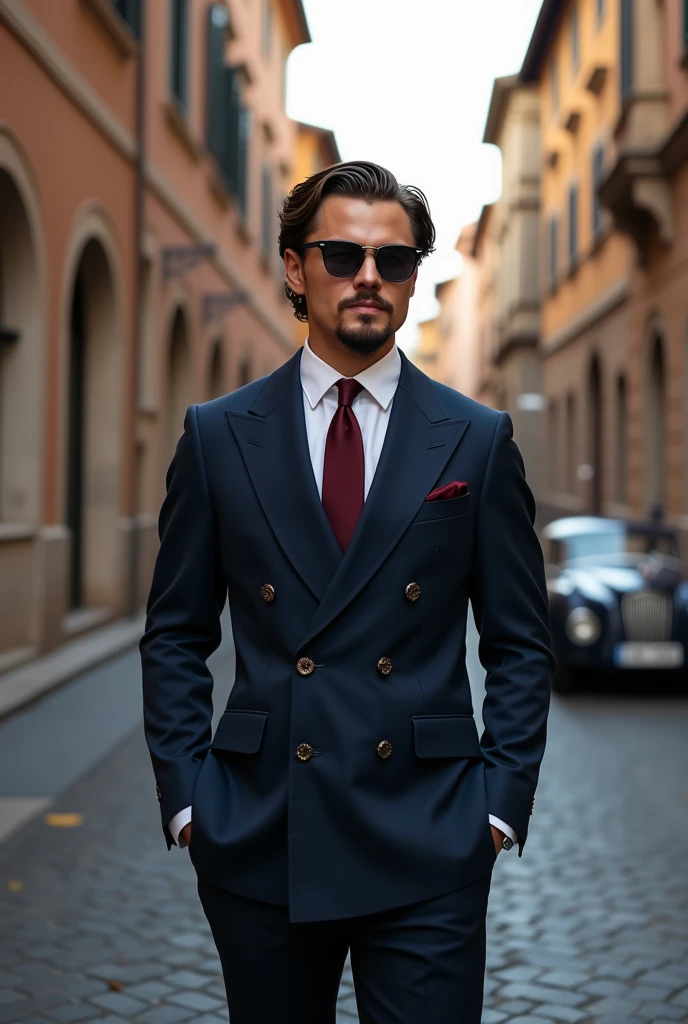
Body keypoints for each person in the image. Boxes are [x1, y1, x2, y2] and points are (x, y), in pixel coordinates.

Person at [140, 161, 553, 1023]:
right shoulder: (218, 436)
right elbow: (176, 632)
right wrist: (188, 802)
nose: (368, 277)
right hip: (260, 833)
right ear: (296, 268)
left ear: (411, 280)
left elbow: (519, 642)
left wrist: (498, 809)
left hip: (432, 835)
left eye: (394, 261)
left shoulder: (476, 440)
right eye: (341, 254)